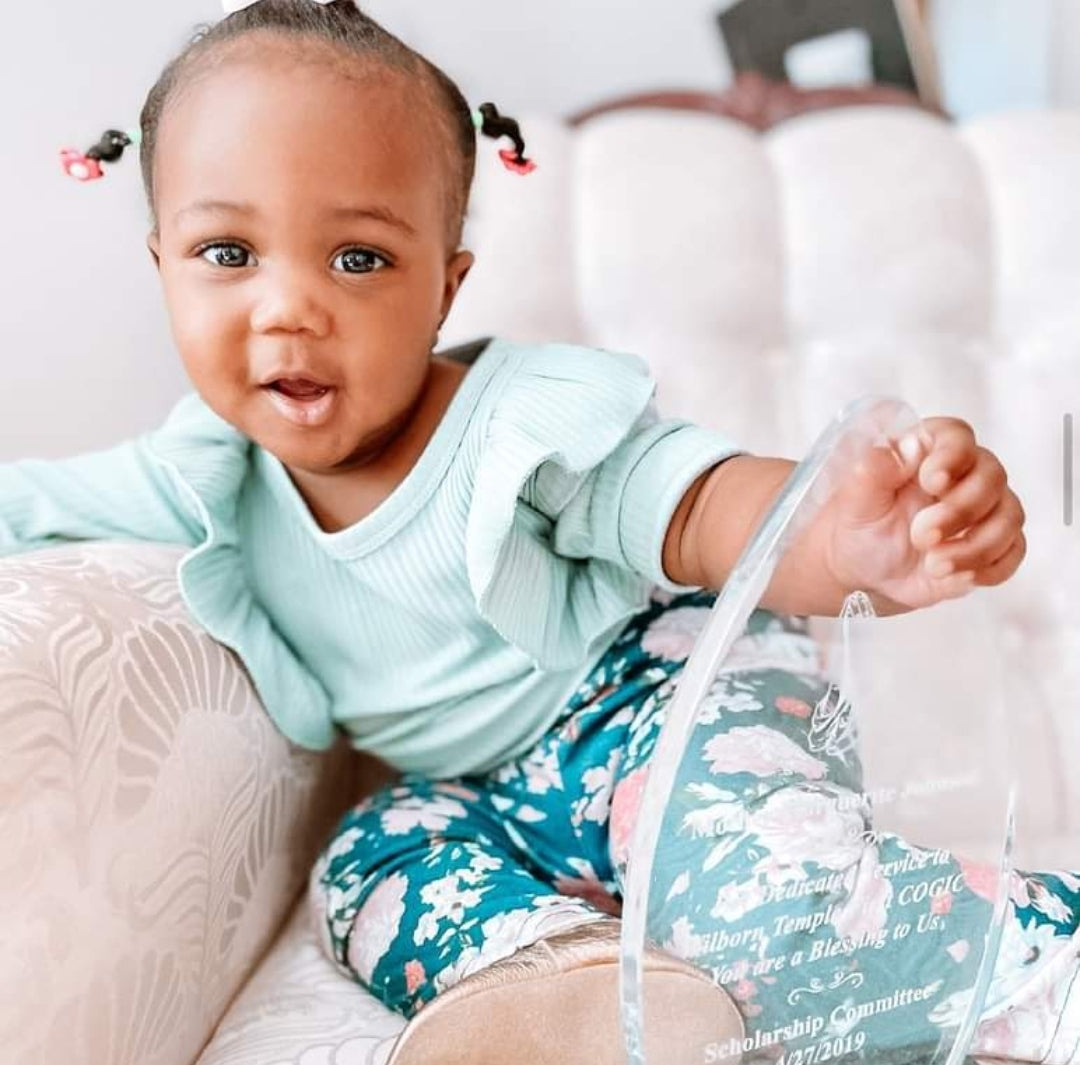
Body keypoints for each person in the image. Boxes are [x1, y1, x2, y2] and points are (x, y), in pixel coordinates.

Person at [6, 2, 1075, 1063]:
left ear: (444, 286)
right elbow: (27, 504)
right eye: (228, 251)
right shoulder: (198, 472)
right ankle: (565, 975)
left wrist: (837, 535)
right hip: (477, 793)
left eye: (360, 260)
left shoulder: (518, 424)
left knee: (757, 897)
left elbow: (693, 505)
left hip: (661, 705)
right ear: (162, 266)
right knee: (363, 868)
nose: (287, 308)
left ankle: (1045, 959)